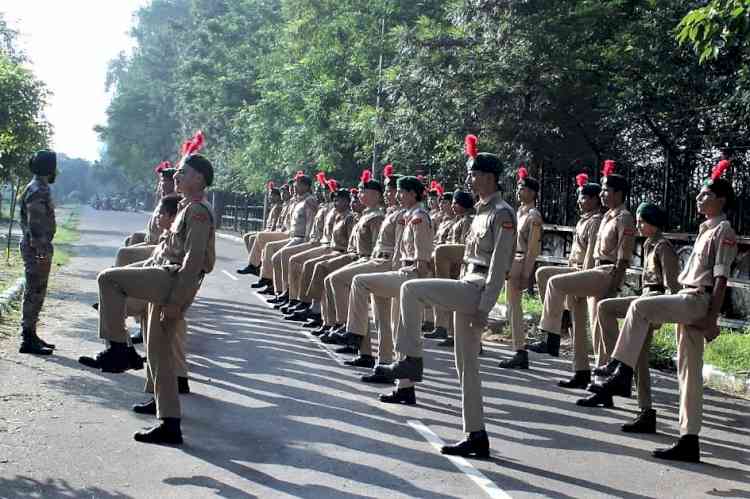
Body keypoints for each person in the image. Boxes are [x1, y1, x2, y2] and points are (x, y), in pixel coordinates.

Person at [593, 160, 737, 462]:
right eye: (698, 195)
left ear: (721, 199)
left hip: (698, 301)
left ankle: (622, 370)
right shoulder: (704, 230)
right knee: (690, 374)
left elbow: (721, 279)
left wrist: (712, 319)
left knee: (640, 306)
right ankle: (689, 439)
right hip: (690, 300)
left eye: (704, 194)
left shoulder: (723, 230)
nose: (698, 199)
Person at [380, 138, 516, 457]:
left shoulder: (502, 212)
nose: (469, 179)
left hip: (478, 289)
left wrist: (485, 307)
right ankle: (476, 435)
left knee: (411, 288)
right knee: (465, 366)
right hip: (467, 282)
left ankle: (411, 360)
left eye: (474, 173)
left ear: (489, 177)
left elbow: (498, 266)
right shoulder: (480, 211)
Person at [79, 153, 216, 444]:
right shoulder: (183, 207)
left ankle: (120, 348)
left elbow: (193, 263)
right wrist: (131, 270)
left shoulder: (199, 211)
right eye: (177, 172)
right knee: (157, 353)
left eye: (183, 172)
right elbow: (160, 253)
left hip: (172, 283)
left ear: (199, 178)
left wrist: (176, 303)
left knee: (108, 278)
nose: (177, 176)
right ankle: (168, 420)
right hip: (162, 277)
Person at [576, 202, 680, 416]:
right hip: (643, 299)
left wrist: (663, 313)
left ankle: (642, 405)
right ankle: (619, 367)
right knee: (605, 308)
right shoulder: (649, 244)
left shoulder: (664, 247)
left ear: (654, 223)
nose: (639, 225)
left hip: (655, 301)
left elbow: (672, 286)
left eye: (643, 221)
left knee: (641, 359)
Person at [535, 160, 636, 374]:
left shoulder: (624, 218)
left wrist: (613, 287)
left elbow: (623, 257)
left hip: (606, 272)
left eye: (606, 190)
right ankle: (581, 371)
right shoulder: (608, 217)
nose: (602, 194)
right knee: (581, 321)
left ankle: (556, 338)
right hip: (595, 271)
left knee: (598, 325)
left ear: (618, 194)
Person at [338, 176, 433, 388]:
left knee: (361, 282)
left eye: (401, 191)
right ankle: (386, 368)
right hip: (399, 271)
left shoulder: (419, 217)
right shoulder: (407, 215)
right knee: (387, 323)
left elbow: (422, 259)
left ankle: (354, 334)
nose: (396, 195)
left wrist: (409, 280)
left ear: (413, 193)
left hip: (410, 277)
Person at [528, 173, 603, 387]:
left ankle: (582, 369)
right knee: (543, 274)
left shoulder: (596, 222)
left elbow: (589, 254)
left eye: (584, 197)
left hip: (585, 273)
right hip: (574, 269)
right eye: (579, 197)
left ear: (595, 199)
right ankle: (556, 328)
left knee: (585, 327)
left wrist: (582, 279)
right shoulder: (584, 220)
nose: (579, 201)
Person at [499, 166, 543, 368]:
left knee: (515, 308)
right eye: (518, 187)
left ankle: (520, 351)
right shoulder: (519, 213)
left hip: (520, 261)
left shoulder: (533, 216)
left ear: (532, 193)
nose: (518, 191)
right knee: (511, 308)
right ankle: (518, 348)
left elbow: (533, 249)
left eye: (522, 188)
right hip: (510, 260)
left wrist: (527, 273)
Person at [18, 150, 58, 355]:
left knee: (37, 291)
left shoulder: (38, 186)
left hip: (36, 245)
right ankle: (27, 338)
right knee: (34, 291)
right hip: (36, 247)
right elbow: (35, 222)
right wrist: (41, 250)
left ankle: (31, 333)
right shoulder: (38, 189)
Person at [425, 190, 475, 346]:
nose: (452, 205)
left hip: (456, 264)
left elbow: (464, 245)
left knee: (455, 300)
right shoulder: (457, 220)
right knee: (449, 298)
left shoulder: (467, 221)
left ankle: (455, 335)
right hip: (446, 262)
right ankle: (448, 331)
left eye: (455, 202)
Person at [238, 184, 283, 274]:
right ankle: (256, 263)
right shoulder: (274, 206)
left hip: (272, 231)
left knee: (252, 238)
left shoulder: (279, 207)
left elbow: (274, 225)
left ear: (277, 196)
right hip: (267, 230)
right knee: (247, 236)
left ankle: (256, 264)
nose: (270, 197)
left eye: (272, 195)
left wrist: (268, 233)